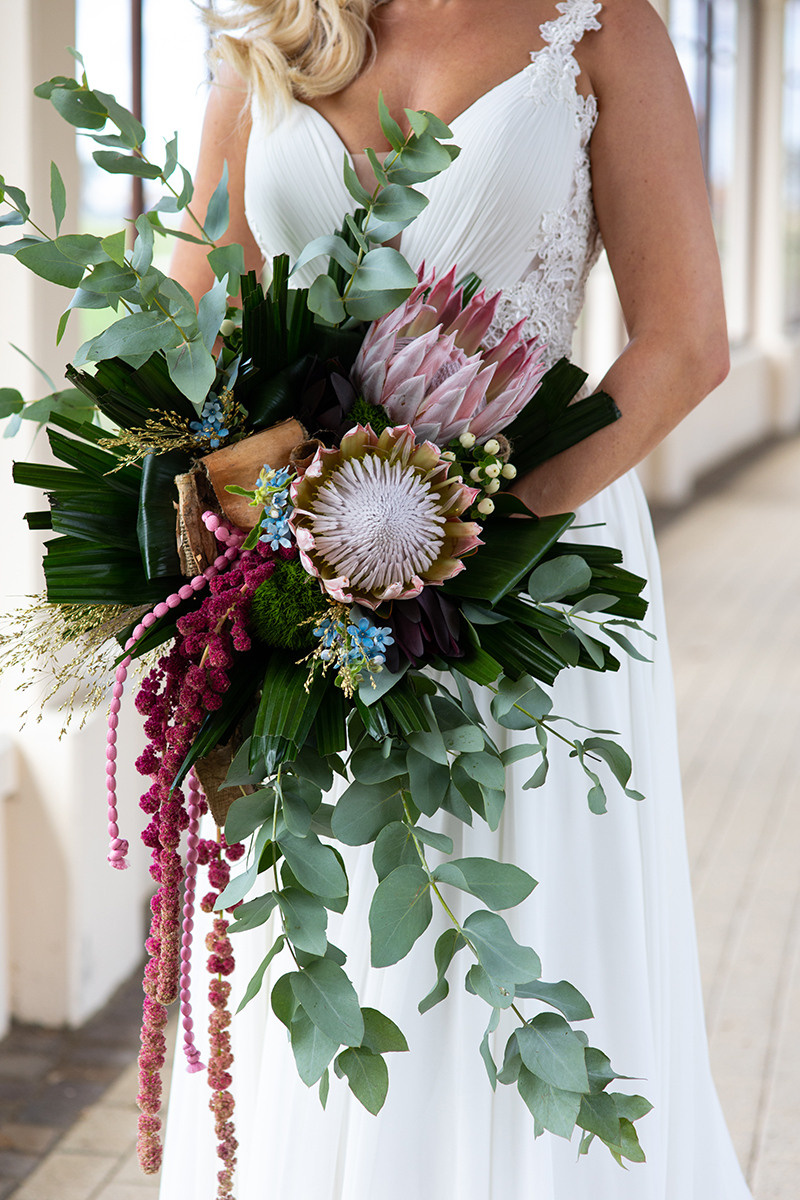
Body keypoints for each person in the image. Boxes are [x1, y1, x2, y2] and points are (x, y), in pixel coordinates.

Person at [161, 2, 753, 1196]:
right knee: (328, 958)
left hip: (522, 580)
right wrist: (244, 534)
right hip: (299, 589)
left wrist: (458, 549)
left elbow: (683, 343)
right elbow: (192, 322)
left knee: (515, 943)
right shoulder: (272, 30)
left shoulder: (599, 30)